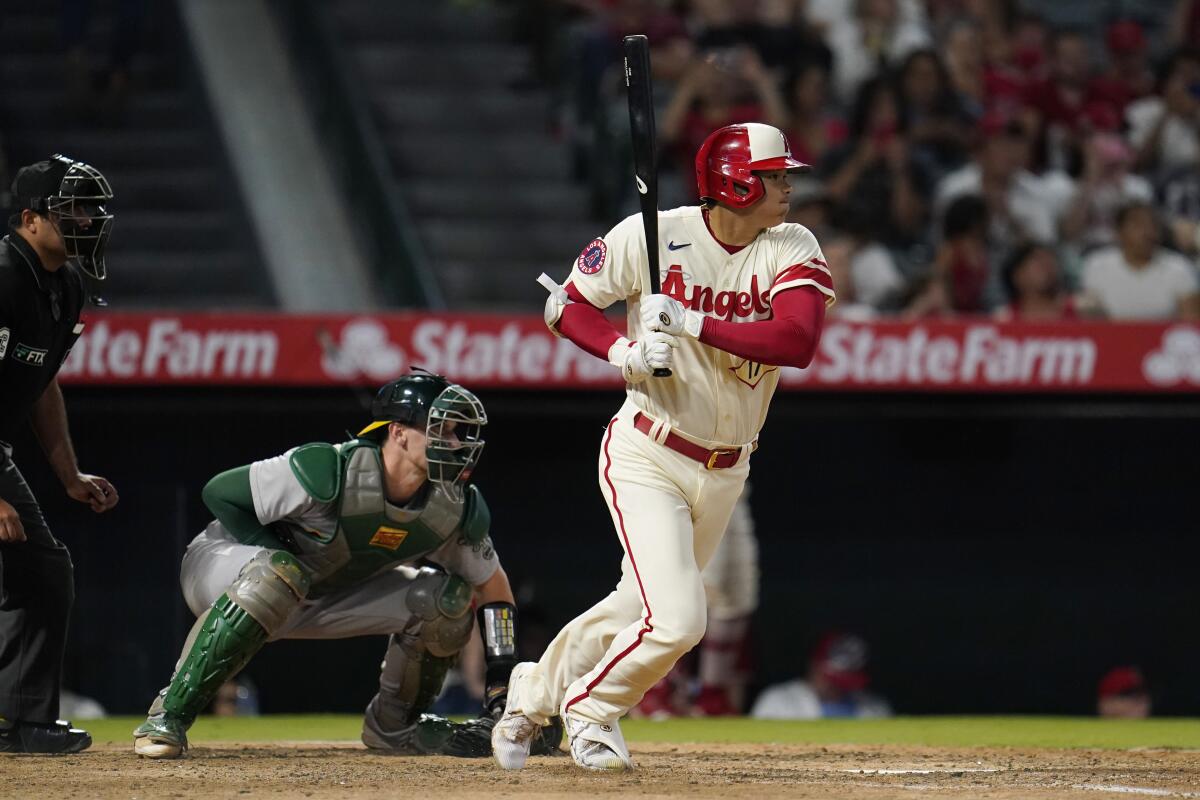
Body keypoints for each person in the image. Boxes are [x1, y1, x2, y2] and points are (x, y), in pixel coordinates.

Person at [498, 121, 834, 771]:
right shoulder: (652, 235)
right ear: (735, 183)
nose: (788, 187)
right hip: (649, 450)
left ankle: (533, 691)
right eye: (774, 176)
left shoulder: (791, 244)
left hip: (727, 465)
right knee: (679, 621)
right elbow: (565, 306)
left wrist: (690, 322)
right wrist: (625, 353)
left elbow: (797, 341)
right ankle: (592, 712)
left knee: (634, 608)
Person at [131, 372, 562, 759]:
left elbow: (493, 588)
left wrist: (502, 678)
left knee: (447, 600)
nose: (455, 444)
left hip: (316, 588)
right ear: (399, 432)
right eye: (441, 431)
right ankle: (168, 715)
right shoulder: (327, 468)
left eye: (456, 433)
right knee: (278, 575)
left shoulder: (452, 507)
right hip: (222, 569)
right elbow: (221, 493)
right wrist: (274, 554)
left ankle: (395, 729)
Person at [0, 155, 119, 755]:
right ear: (29, 219)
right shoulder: (2, 277)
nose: (88, 219)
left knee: (42, 572)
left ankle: (19, 722)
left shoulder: (66, 283)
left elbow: (42, 382)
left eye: (92, 207)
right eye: (72, 208)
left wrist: (67, 473)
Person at [1080, 201, 1200, 320]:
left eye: (1153, 225)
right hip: (1111, 337)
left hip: (1166, 338)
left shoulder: (1179, 268)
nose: (1148, 232)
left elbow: (1190, 325)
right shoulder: (1097, 266)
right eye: (1138, 225)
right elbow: (1091, 322)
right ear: (1119, 232)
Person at [751, 632, 891, 719]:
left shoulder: (875, 708)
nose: (836, 687)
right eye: (831, 679)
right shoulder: (778, 701)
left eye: (843, 682)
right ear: (814, 666)